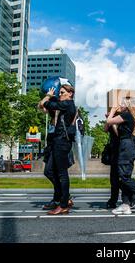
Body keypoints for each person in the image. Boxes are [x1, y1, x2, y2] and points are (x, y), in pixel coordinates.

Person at [38, 83, 76, 215]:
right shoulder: (64, 105)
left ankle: (64, 204)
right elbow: (42, 106)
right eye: (59, 92)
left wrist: (48, 95)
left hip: (62, 142)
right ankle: (63, 198)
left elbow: (47, 104)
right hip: (57, 141)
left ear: (70, 94)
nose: (60, 95)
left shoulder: (68, 104)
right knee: (49, 170)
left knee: (62, 174)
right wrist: (48, 99)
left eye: (62, 92)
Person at [104, 114, 135, 209]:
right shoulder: (112, 119)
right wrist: (109, 119)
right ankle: (114, 200)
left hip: (122, 151)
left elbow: (119, 135)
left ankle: (132, 197)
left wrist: (113, 123)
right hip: (115, 152)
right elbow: (105, 129)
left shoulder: (123, 120)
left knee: (122, 178)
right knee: (114, 179)